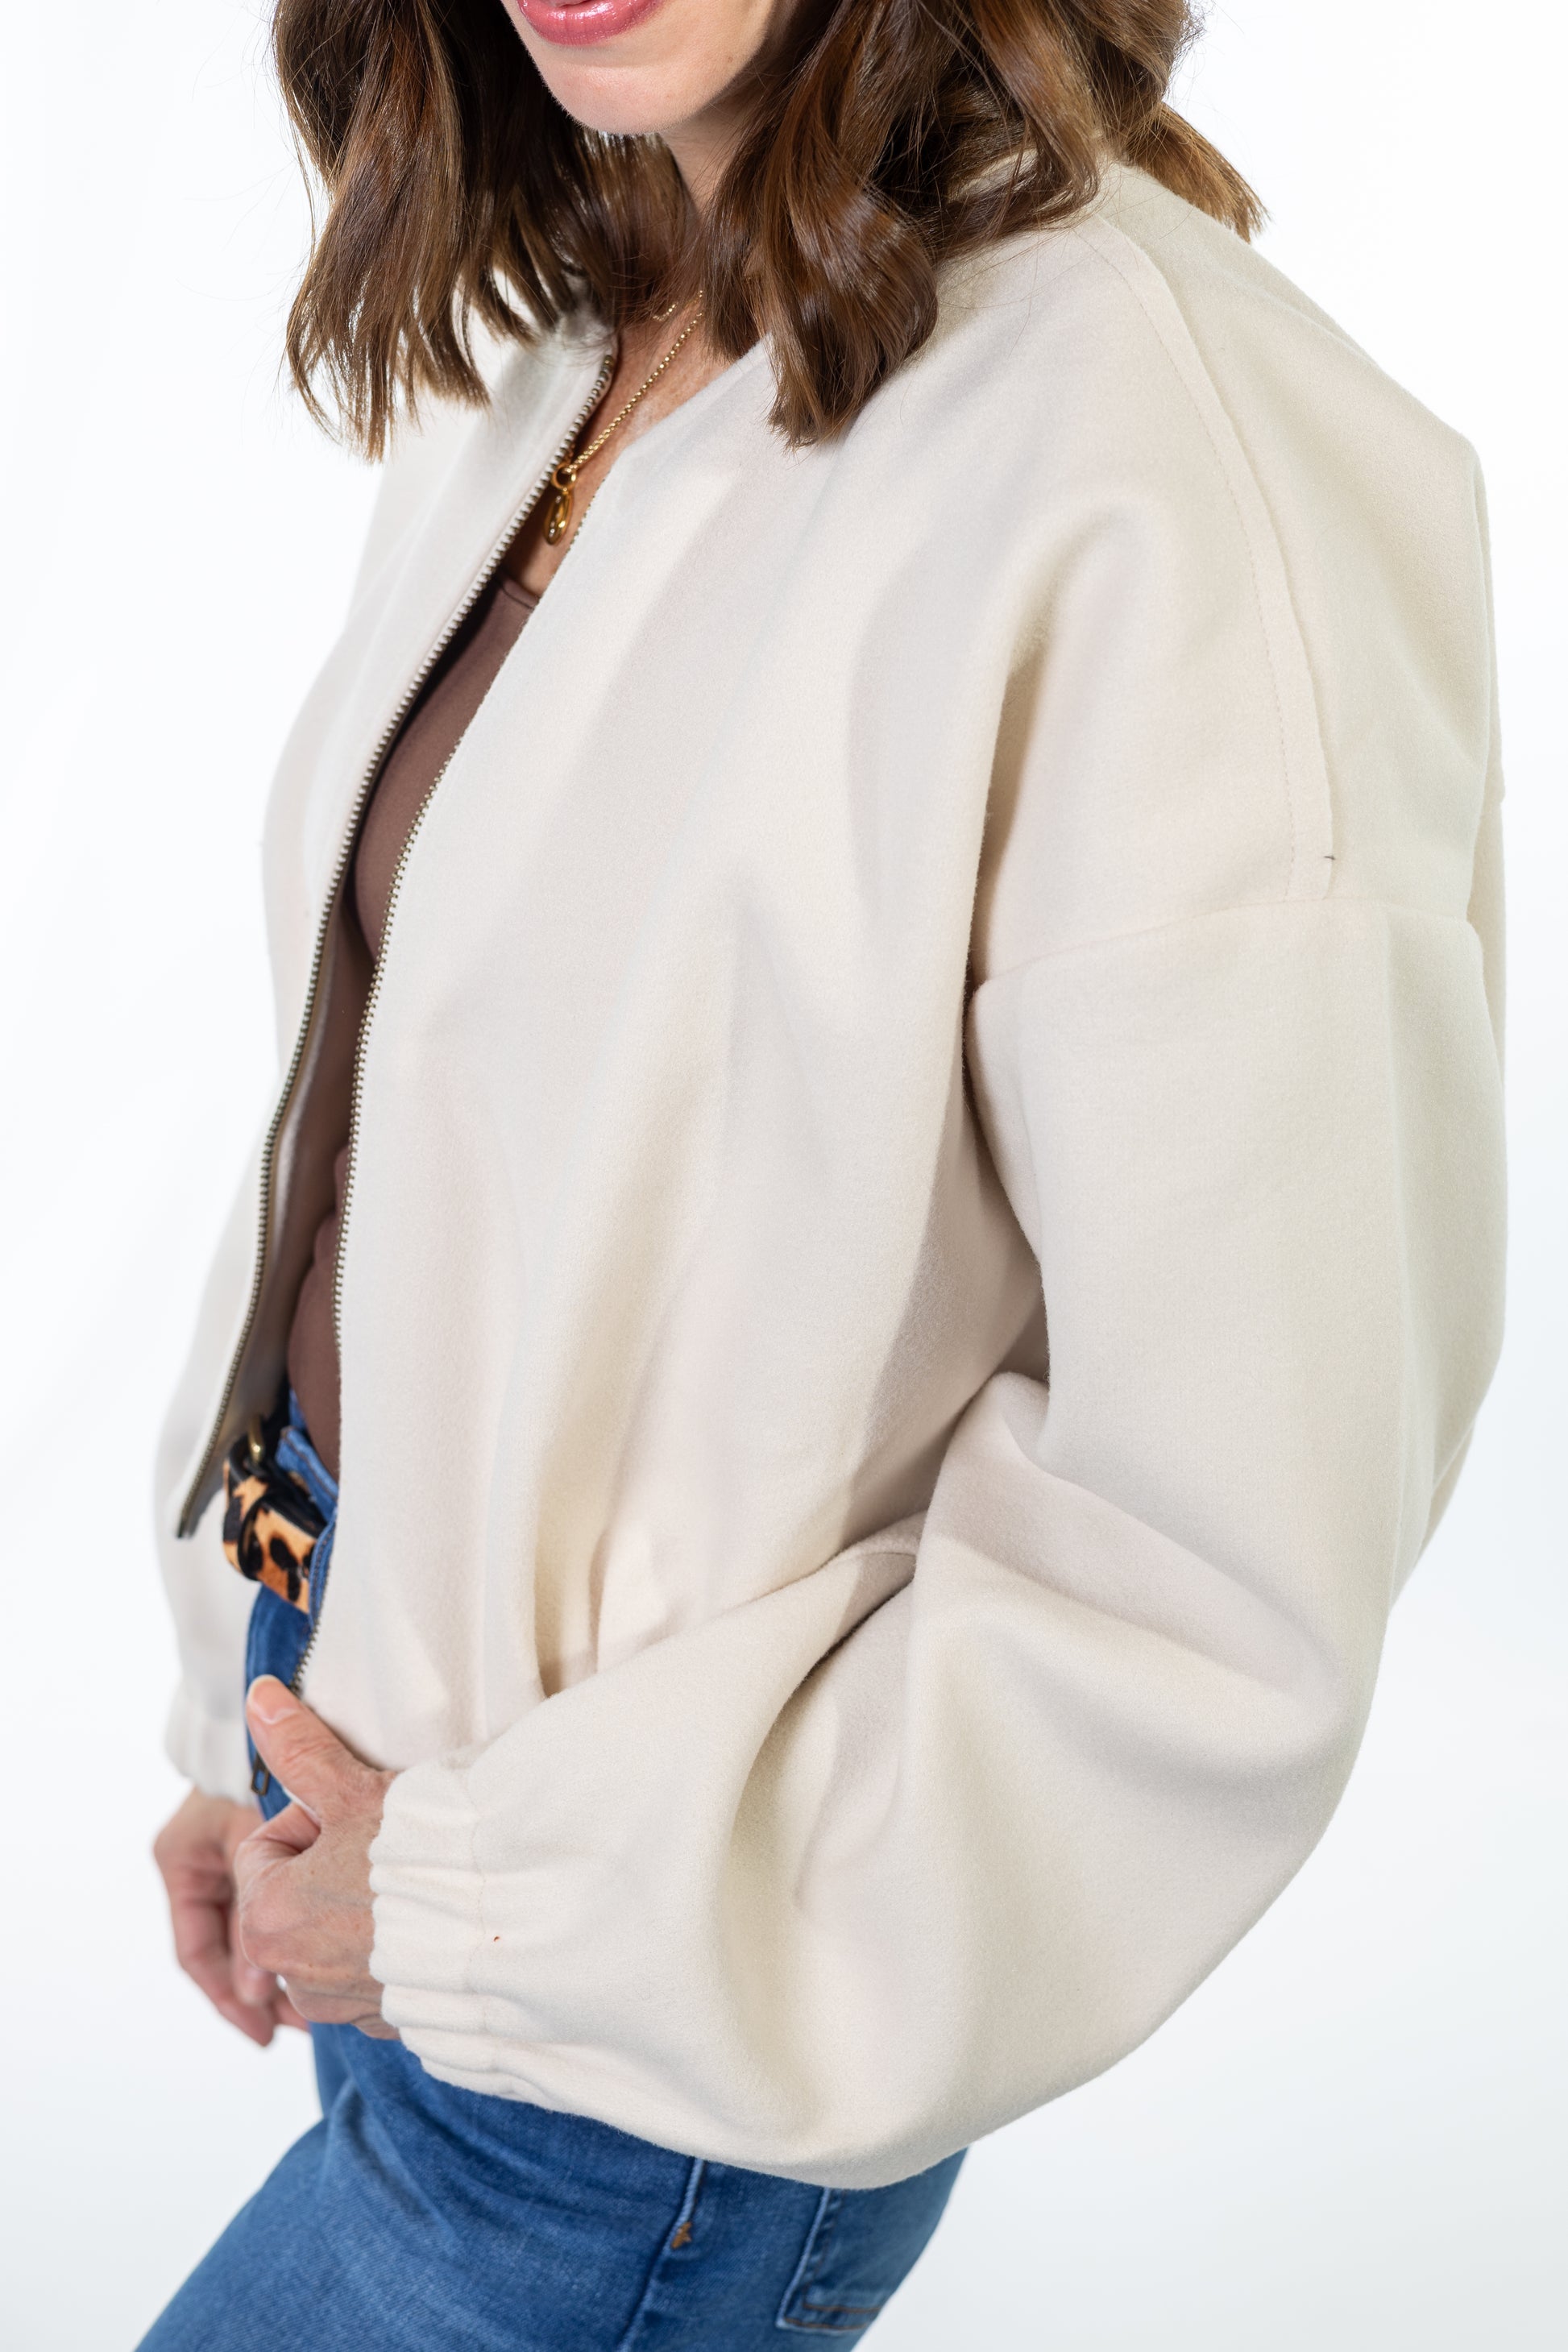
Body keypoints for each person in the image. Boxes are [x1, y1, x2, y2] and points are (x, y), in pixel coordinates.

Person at [142, 0, 1507, 2343]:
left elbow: (1213, 1575)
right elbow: (418, 1119)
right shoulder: (589, 322)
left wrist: (494, 1905)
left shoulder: (1166, 466)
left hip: (646, 2047)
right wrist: (259, 1685)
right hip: (388, 1835)